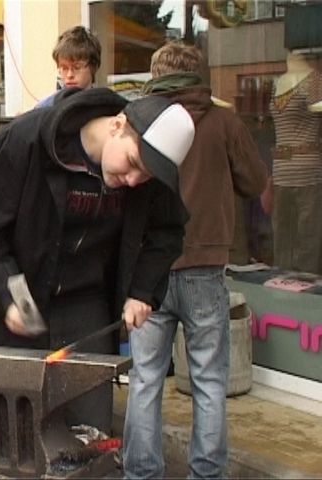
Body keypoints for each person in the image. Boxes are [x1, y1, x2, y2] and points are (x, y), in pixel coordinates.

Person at [0, 86, 196, 446]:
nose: (134, 181)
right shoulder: (25, 140)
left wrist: (142, 291)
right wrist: (11, 292)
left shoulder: (148, 173)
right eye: (133, 164)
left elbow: (168, 231)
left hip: (85, 308)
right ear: (118, 125)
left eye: (146, 177)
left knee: (84, 439)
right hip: (9, 299)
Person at [123, 41, 268, 479]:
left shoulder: (136, 122)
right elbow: (256, 180)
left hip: (147, 274)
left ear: (155, 74)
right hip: (205, 268)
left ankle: (141, 473)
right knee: (208, 382)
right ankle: (206, 474)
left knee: (146, 379)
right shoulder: (223, 121)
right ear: (199, 76)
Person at [268, 51, 322, 274]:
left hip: (308, 169)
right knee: (282, 233)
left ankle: (305, 287)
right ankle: (281, 283)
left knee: (307, 234)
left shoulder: (315, 80)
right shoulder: (278, 82)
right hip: (281, 170)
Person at [35, 26, 101, 108]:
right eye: (64, 68)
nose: (69, 75)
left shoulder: (105, 105)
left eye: (77, 68)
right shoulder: (46, 107)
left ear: (93, 67)